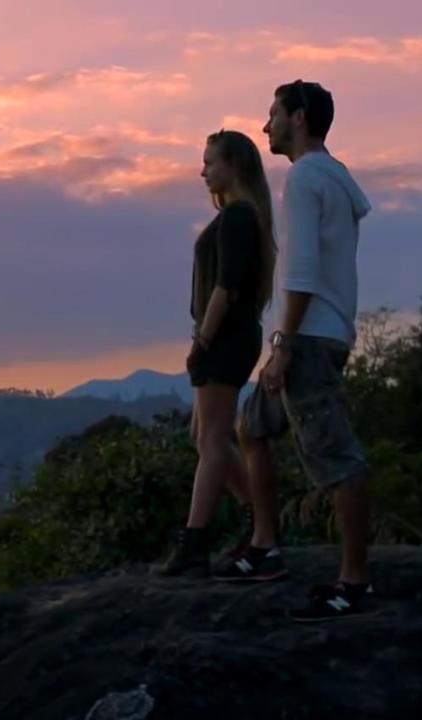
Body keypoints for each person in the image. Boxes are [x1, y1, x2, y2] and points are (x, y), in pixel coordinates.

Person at [214, 80, 376, 622]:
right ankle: (265, 546)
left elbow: (303, 270)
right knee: (251, 428)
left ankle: (354, 582)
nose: (266, 127)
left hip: (306, 337)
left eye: (273, 115)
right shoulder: (334, 174)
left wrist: (281, 343)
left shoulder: (306, 177)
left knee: (336, 457)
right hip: (316, 332)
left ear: (299, 118)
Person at [158, 129, 275, 578]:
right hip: (226, 337)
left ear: (233, 165)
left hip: (225, 339)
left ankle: (195, 542)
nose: (202, 170)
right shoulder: (238, 216)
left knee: (211, 441)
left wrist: (202, 341)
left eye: (210, 161)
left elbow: (226, 286)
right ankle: (256, 517)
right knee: (203, 437)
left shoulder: (240, 217)